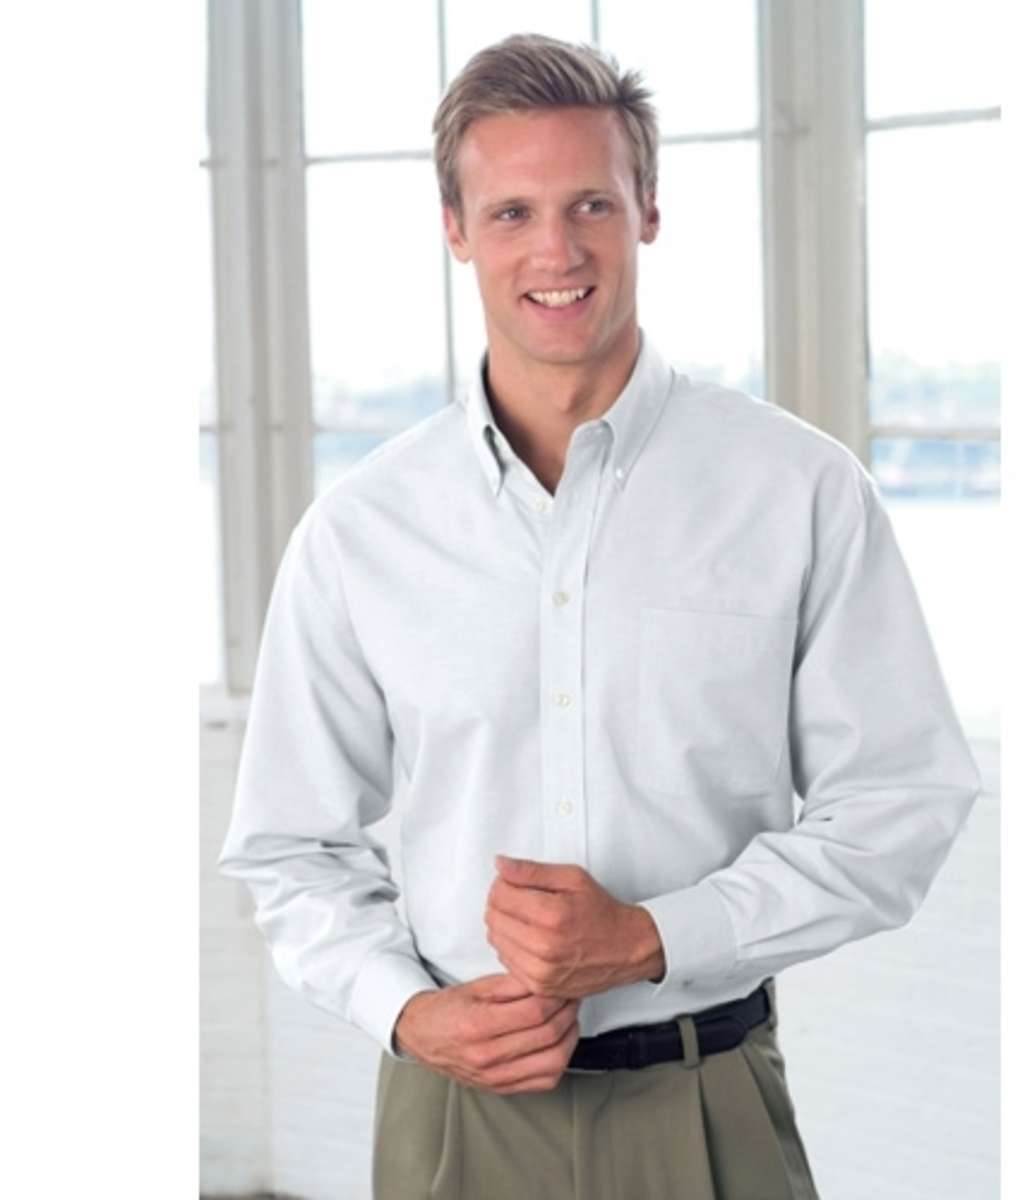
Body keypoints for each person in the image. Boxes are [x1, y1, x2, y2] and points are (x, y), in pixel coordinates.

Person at [218, 32, 982, 1200]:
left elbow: (901, 801)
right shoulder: (359, 531)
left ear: (648, 211)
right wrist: (405, 1009)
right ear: (456, 230)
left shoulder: (800, 492)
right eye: (512, 212)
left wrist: (660, 937)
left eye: (591, 204)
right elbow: (289, 845)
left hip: (707, 1101)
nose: (557, 250)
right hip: (454, 1116)